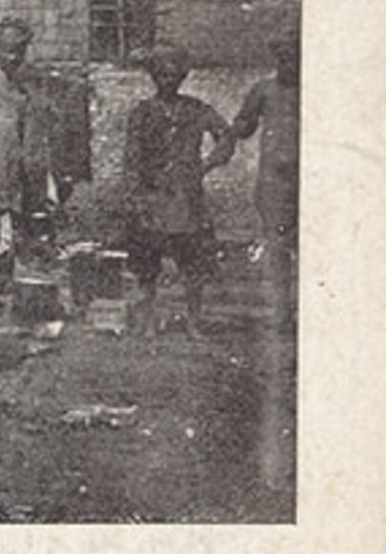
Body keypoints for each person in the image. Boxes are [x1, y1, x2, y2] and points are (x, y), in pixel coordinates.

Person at [122, 46, 237, 338]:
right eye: (162, 75)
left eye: (174, 75)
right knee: (147, 263)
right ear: (154, 77)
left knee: (194, 263)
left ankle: (193, 322)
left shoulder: (196, 109)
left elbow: (226, 135)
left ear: (182, 77)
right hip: (153, 196)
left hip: (187, 199)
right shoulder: (142, 112)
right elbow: (132, 158)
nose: (168, 80)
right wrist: (134, 195)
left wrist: (206, 164)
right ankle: (148, 319)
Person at [0, 18, 60, 270]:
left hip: (13, 177)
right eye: (6, 50)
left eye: (18, 51)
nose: (11, 57)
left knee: (12, 241)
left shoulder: (19, 87)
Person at [231, 32, 300, 332]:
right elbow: (243, 124)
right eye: (282, 58)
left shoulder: (320, 90)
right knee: (278, 248)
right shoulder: (264, 90)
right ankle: (283, 315)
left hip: (312, 181)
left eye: (294, 57)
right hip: (274, 182)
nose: (288, 64)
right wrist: (238, 126)